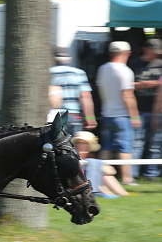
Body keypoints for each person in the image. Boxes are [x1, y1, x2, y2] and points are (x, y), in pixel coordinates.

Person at [96, 41, 141, 186]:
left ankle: (99, 176)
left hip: (106, 113)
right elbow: (128, 95)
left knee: (106, 147)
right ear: (128, 53)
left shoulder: (102, 69)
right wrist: (134, 116)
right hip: (122, 115)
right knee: (125, 147)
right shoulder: (125, 71)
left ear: (110, 52)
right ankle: (127, 179)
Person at [131, 39, 162, 181]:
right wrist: (143, 84)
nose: (156, 55)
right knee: (137, 144)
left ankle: (152, 174)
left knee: (155, 144)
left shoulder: (160, 65)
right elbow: (125, 86)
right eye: (154, 51)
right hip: (139, 110)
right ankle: (132, 175)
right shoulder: (134, 64)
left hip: (157, 111)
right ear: (146, 49)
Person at [49, 46, 96, 134]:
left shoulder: (49, 73)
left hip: (54, 116)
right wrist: (89, 117)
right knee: (73, 144)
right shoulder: (78, 73)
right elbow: (85, 97)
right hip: (74, 116)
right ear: (69, 58)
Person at [71, 130, 128, 198]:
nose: (80, 145)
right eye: (78, 143)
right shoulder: (72, 155)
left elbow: (111, 171)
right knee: (100, 173)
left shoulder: (92, 158)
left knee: (104, 175)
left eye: (84, 143)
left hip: (89, 179)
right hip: (77, 180)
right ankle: (105, 193)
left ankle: (123, 194)